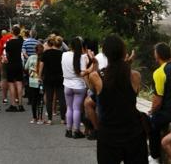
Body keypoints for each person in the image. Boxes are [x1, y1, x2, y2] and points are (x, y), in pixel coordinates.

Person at [85, 34, 147, 164]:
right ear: (124, 52)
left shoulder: (96, 77)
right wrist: (128, 64)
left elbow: (93, 90)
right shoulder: (135, 76)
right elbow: (129, 94)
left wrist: (94, 64)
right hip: (133, 133)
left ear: (105, 53)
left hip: (109, 134)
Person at [147, 43, 171, 162]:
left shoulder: (159, 72)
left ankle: (154, 157)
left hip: (169, 114)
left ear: (157, 55)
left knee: (150, 122)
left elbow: (157, 102)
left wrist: (152, 111)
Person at [62, 36, 89, 138]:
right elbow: (82, 73)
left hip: (67, 85)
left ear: (70, 45)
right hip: (78, 85)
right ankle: (76, 131)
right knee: (77, 109)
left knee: (69, 108)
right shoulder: (82, 57)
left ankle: (68, 130)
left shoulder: (64, 55)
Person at [39, 36, 64, 125]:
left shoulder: (46, 53)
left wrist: (39, 76)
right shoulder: (62, 54)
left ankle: (49, 119)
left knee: (49, 98)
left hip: (48, 77)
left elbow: (41, 65)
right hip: (59, 77)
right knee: (61, 98)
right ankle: (63, 119)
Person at [82, 38, 104, 138]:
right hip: (114, 89)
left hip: (98, 90)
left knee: (87, 103)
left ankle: (95, 129)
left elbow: (88, 73)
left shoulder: (96, 58)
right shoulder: (117, 59)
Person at [4, 25, 26, 111]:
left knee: (11, 84)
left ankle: (13, 104)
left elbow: (7, 54)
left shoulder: (9, 43)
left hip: (11, 64)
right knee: (19, 83)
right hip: (19, 64)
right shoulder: (21, 42)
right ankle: (20, 104)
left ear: (12, 32)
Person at [25, 41, 44, 123]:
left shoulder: (31, 57)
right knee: (40, 100)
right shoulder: (44, 59)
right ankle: (40, 118)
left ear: (35, 50)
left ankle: (34, 118)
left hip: (32, 81)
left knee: (33, 100)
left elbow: (25, 67)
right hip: (41, 82)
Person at [0, 28, 13, 104]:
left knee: (4, 79)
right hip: (14, 60)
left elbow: (0, 52)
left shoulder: (2, 39)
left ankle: (5, 98)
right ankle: (15, 98)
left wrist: (0, 63)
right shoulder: (13, 37)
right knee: (14, 80)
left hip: (4, 60)